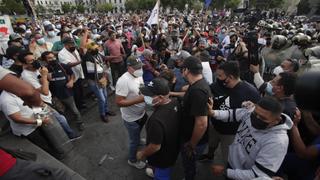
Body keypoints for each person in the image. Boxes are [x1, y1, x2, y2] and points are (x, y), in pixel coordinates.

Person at [210, 97, 293, 180]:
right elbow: (233, 114)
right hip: (232, 162)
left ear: (277, 120)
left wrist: (226, 172)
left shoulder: (277, 142)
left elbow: (257, 175)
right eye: (255, 114)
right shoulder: (253, 111)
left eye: (263, 118)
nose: (256, 118)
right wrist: (213, 113)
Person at [199, 61, 260, 165]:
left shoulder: (251, 92)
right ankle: (209, 155)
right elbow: (206, 91)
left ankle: (227, 172)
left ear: (230, 77)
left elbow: (258, 112)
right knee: (212, 143)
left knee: (228, 158)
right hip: (215, 125)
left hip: (231, 133)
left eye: (220, 75)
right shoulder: (217, 84)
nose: (217, 78)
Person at [137, 78, 181, 180]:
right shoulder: (175, 103)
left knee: (162, 176)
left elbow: (155, 146)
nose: (145, 97)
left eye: (149, 95)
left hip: (162, 159)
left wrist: (142, 153)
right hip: (173, 150)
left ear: (160, 97)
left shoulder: (155, 120)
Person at [180, 56, 212, 180]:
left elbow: (201, 124)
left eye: (182, 69)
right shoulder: (197, 84)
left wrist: (191, 145)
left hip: (194, 140)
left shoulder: (198, 91)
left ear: (187, 70)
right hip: (192, 136)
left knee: (189, 164)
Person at [115, 56, 146, 169]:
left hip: (141, 113)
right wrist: (140, 99)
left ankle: (138, 139)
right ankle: (132, 160)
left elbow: (141, 87)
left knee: (138, 134)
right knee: (133, 141)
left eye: (140, 67)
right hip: (131, 118)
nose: (140, 70)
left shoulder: (139, 75)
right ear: (129, 68)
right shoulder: (123, 81)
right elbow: (119, 102)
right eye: (136, 68)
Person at [41, 51, 84, 131]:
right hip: (55, 96)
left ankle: (80, 122)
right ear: (44, 60)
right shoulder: (44, 70)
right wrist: (45, 77)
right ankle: (66, 126)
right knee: (61, 112)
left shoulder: (62, 66)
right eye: (49, 58)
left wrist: (71, 81)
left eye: (53, 57)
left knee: (74, 110)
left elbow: (72, 74)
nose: (53, 59)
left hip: (67, 94)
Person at [82, 42, 116, 123]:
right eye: (95, 48)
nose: (97, 49)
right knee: (102, 99)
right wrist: (104, 74)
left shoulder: (97, 54)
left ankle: (106, 110)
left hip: (101, 78)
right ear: (90, 50)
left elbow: (104, 58)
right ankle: (102, 114)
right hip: (95, 81)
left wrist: (114, 57)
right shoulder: (88, 58)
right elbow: (91, 72)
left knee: (105, 96)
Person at [58, 37, 86, 109]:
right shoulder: (61, 53)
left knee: (81, 89)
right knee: (76, 91)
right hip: (72, 75)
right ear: (65, 45)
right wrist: (80, 62)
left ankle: (82, 102)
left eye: (73, 43)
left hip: (79, 72)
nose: (72, 45)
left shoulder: (74, 50)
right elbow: (68, 64)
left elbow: (78, 58)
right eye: (70, 44)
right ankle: (78, 105)